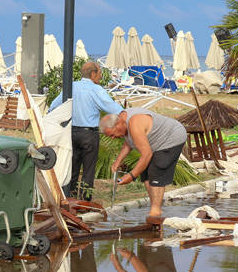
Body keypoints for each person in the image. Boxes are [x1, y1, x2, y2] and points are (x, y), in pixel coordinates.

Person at [52, 61, 123, 201]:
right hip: (89, 134)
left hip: (71, 132)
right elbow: (112, 108)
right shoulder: (96, 90)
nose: (101, 77)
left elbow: (54, 106)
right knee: (88, 170)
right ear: (93, 74)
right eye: (100, 74)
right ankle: (85, 200)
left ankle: (69, 197)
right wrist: (127, 114)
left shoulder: (71, 86)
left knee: (72, 168)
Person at [99, 108, 187, 218]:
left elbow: (146, 155)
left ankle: (156, 211)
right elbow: (128, 142)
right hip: (156, 143)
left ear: (118, 124)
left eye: (112, 134)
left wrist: (131, 176)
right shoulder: (122, 120)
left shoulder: (134, 123)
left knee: (157, 169)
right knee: (145, 172)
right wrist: (117, 162)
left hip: (172, 137)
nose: (112, 138)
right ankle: (154, 207)